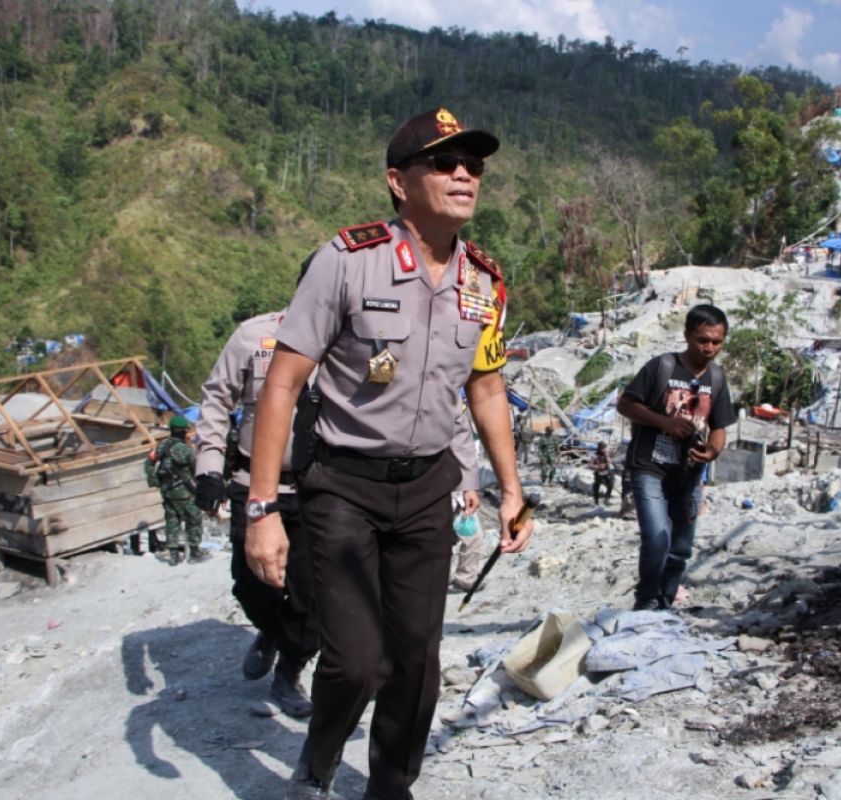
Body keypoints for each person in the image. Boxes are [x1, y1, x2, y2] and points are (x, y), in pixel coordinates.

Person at [244, 107, 532, 800]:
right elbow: (282, 385)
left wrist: (510, 489)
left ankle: (390, 786)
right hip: (342, 486)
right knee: (356, 661)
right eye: (444, 163)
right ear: (399, 182)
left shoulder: (483, 284)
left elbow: (486, 390)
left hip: (429, 488)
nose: (464, 175)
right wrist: (261, 509)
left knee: (416, 661)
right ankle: (317, 760)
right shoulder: (346, 261)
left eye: (473, 166)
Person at [192, 308, 320, 718]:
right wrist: (209, 467)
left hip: (319, 487)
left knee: (312, 598)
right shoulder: (254, 335)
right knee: (252, 585)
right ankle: (270, 628)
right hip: (255, 484)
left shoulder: (350, 338)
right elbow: (216, 396)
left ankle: (289, 671)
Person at [616, 304, 735, 611]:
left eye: (716, 341)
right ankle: (646, 602)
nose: (709, 347)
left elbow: (719, 427)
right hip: (649, 467)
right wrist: (664, 422)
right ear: (687, 336)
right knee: (657, 537)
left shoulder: (718, 379)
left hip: (690, 473)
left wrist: (713, 451)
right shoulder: (662, 367)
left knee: (680, 547)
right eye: (702, 340)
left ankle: (665, 601)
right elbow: (626, 404)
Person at [144, 415, 205, 567]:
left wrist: (154, 480)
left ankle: (173, 556)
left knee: (172, 521)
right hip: (184, 493)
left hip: (167, 492)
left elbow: (149, 462)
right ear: (184, 432)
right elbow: (195, 468)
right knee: (194, 519)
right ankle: (195, 552)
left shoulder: (161, 446)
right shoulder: (185, 450)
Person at [449, 412, 484, 593]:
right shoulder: (449, 427)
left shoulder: (474, 438)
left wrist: (470, 489)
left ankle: (465, 578)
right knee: (443, 539)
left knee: (473, 535)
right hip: (443, 492)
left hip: (463, 495)